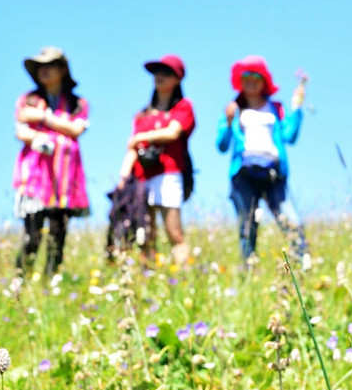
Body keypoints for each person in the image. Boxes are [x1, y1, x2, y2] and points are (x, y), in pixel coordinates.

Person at [216, 56, 308, 263]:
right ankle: (249, 269)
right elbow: (222, 145)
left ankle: (303, 265)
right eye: (245, 76)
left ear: (264, 80)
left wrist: (297, 108)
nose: (250, 80)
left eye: (255, 76)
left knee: (291, 220)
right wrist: (228, 121)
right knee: (247, 225)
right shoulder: (233, 108)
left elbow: (289, 136)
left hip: (274, 173)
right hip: (244, 173)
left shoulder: (275, 108)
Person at [13, 46, 90, 275]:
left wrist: (44, 118)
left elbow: (76, 129)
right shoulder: (29, 99)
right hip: (36, 177)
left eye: (49, 66)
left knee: (58, 233)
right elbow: (21, 130)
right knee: (33, 233)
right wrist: (40, 136)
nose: (44, 71)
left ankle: (51, 279)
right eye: (40, 67)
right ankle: (21, 278)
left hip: (66, 179)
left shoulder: (78, 104)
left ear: (62, 69)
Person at [117, 55, 195, 265]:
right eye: (157, 72)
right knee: (145, 232)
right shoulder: (142, 115)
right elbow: (132, 149)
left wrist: (142, 137)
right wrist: (123, 178)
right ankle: (147, 276)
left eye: (167, 73)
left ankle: (184, 276)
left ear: (177, 79)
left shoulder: (183, 107)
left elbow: (173, 133)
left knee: (174, 231)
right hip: (142, 177)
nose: (160, 77)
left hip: (169, 173)